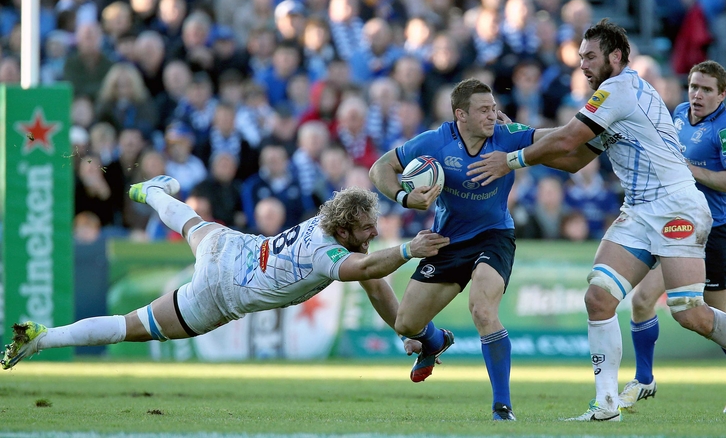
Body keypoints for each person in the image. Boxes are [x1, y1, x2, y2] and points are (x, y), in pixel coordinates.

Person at [466, 19, 726, 424]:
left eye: (590, 56)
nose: (582, 64)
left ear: (615, 57)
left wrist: (511, 158)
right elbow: (574, 157)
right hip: (639, 209)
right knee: (598, 297)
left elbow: (566, 139)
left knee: (689, 311)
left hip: (676, 206)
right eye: (580, 56)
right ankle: (606, 405)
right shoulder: (610, 102)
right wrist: (522, 135)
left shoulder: (619, 91)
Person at [2, 176, 449, 370]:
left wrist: (404, 331)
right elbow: (368, 266)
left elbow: (372, 278)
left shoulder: (326, 223)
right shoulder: (325, 253)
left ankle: (150, 190)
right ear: (345, 227)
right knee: (128, 328)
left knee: (193, 224)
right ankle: (41, 340)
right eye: (367, 228)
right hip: (221, 294)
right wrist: (409, 248)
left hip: (231, 248)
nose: (372, 234)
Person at [369, 78, 534, 421]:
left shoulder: (507, 135)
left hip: (494, 235)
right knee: (406, 324)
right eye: (484, 110)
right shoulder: (435, 142)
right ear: (461, 114)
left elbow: (554, 139)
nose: (493, 115)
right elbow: (380, 167)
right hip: (448, 241)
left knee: (483, 310)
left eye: (493, 108)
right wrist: (403, 196)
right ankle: (434, 341)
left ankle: (502, 407)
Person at [619, 61, 726, 414]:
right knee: (642, 300)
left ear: (722, 95)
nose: (696, 94)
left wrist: (689, 170)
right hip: (676, 225)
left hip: (714, 232)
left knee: (714, 320)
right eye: (693, 86)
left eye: (706, 89)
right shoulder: (678, 113)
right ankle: (644, 378)